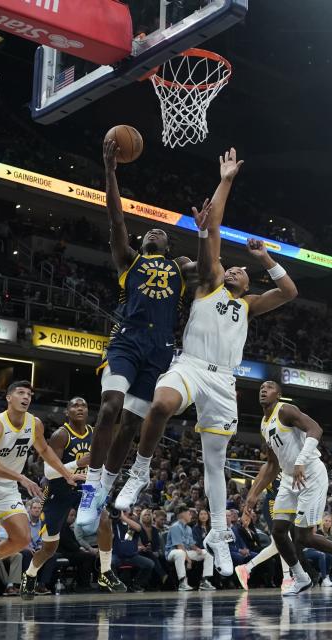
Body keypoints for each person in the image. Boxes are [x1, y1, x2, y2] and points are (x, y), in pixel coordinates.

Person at [115, 149, 298, 579]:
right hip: (191, 365)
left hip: (224, 383)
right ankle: (140, 469)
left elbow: (289, 291)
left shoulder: (250, 304)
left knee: (215, 464)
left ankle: (218, 533)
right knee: (160, 405)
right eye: (229, 267)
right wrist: (226, 180)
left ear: (248, 281)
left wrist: (266, 259)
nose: (232, 270)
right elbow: (212, 230)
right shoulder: (210, 285)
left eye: (239, 269)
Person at [75, 138, 196, 537]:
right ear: (142, 244)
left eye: (162, 231)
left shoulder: (181, 269)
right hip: (126, 340)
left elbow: (212, 262)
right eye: (150, 231)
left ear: (171, 248)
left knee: (130, 424)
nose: (155, 231)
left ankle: (110, 484)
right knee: (109, 408)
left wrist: (208, 226)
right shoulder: (130, 260)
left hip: (160, 349)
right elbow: (116, 219)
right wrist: (110, 172)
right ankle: (92, 487)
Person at [0, 381, 83, 605]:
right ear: (8, 398)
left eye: (29, 394)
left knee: (22, 538)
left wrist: (66, 473)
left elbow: (45, 450)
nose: (26, 397)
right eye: (20, 393)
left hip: (7, 485)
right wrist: (21, 477)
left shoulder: (35, 423)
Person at [244, 380, 332, 596]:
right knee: (279, 532)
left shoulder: (286, 410)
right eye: (261, 387)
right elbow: (272, 465)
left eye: (269, 387)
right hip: (289, 478)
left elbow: (315, 429)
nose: (263, 389)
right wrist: (253, 495)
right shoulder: (263, 425)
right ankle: (300, 578)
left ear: (278, 395)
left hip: (310, 474)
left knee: (304, 537)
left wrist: (300, 459)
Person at [21, 398, 124, 599]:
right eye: (75, 405)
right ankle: (30, 574)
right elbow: (49, 472)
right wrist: (77, 462)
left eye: (83, 405)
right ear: (67, 411)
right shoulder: (61, 435)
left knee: (104, 519)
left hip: (83, 489)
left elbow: (99, 463)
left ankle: (105, 572)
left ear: (88, 411)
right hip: (57, 493)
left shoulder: (95, 434)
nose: (80, 408)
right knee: (50, 547)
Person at [165, 507, 216, 591]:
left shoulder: (188, 528)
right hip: (172, 552)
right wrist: (188, 560)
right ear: (182, 515)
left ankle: (204, 581)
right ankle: (182, 582)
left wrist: (197, 549)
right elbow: (179, 546)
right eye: (189, 514)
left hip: (186, 551)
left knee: (207, 553)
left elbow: (191, 544)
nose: (191, 516)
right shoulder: (175, 527)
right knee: (180, 553)